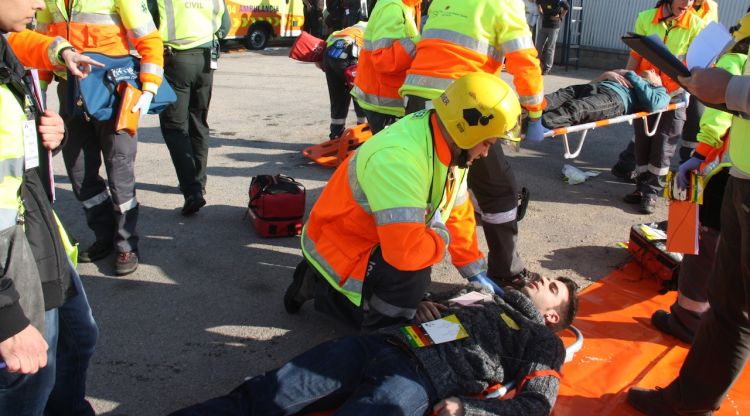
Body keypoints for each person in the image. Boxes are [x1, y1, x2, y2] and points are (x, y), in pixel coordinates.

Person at [285, 72, 522, 329]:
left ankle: (332, 290)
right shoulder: (399, 159)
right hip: (343, 247)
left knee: (416, 266)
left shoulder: (449, 143)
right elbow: (406, 254)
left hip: (371, 237)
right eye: (487, 143)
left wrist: (473, 269)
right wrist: (439, 236)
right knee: (413, 274)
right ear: (467, 130)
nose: (487, 153)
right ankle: (381, 335)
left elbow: (457, 209)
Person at [171, 274, 579, 416]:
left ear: (552, 317)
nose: (541, 279)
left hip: (417, 380)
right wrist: (422, 304)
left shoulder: (541, 340)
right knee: (261, 395)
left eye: (553, 287)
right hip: (377, 345)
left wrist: (470, 409)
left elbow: (536, 405)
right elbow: (420, 305)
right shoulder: (479, 293)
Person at [626, 13, 750, 414]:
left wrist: (727, 96)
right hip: (730, 159)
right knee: (727, 294)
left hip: (715, 143)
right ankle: (688, 320)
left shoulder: (705, 16)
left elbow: (730, 74)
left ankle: (689, 315)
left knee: (701, 237)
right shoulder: (654, 15)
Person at [398, 0, 547, 289]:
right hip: (461, 105)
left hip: (418, 99)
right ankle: (506, 271)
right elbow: (524, 60)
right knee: (498, 192)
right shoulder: (505, 3)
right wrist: (536, 111)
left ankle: (401, 273)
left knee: (427, 191)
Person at [0, 1, 99, 414]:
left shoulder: (7, 48)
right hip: (10, 268)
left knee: (78, 339)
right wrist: (6, 315)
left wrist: (44, 135)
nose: (40, 3)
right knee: (28, 383)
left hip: (38, 240)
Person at [35, 0, 165, 275]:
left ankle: (126, 244)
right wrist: (40, 91)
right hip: (71, 91)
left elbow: (149, 38)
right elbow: (45, 41)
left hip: (112, 91)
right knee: (79, 172)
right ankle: (105, 236)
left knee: (120, 170)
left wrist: (149, 89)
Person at [649, 37, 747, 344]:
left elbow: (719, 112)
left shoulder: (738, 57)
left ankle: (688, 319)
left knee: (702, 242)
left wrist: (700, 153)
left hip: (729, 171)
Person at [621, 0, 704, 214]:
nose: (687, 3)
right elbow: (636, 55)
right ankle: (640, 187)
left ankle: (651, 192)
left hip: (674, 95)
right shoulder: (646, 18)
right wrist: (626, 82)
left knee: (664, 143)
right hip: (645, 93)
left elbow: (698, 65)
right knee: (643, 141)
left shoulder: (696, 25)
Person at [148, 0, 230, 216]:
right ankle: (199, 182)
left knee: (174, 126)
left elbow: (147, 23)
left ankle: (192, 191)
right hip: (206, 61)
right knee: (198, 122)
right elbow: (225, 26)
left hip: (177, 59)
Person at [350, 0, 421, 134]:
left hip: (386, 101)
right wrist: (419, 42)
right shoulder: (392, 8)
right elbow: (384, 60)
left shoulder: (405, 6)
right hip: (384, 104)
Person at [541, 69, 670, 129]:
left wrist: (632, 75)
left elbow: (653, 104)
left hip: (615, 99)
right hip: (596, 87)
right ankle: (525, 111)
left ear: (658, 82)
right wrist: (606, 75)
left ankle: (533, 124)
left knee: (577, 108)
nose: (652, 69)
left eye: (656, 73)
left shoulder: (661, 91)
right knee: (559, 96)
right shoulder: (629, 76)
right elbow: (590, 84)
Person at [324, 21, 367, 140]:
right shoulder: (374, 29)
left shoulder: (347, 30)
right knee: (360, 93)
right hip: (349, 54)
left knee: (337, 95)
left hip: (329, 55)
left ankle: (336, 134)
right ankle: (362, 132)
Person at [535, 0, 569, 75]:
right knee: (538, 46)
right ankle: (535, 66)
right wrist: (540, 13)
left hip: (554, 27)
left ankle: (547, 68)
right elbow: (537, 3)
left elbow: (566, 7)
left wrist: (560, 17)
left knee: (550, 48)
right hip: (544, 26)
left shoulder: (559, 1)